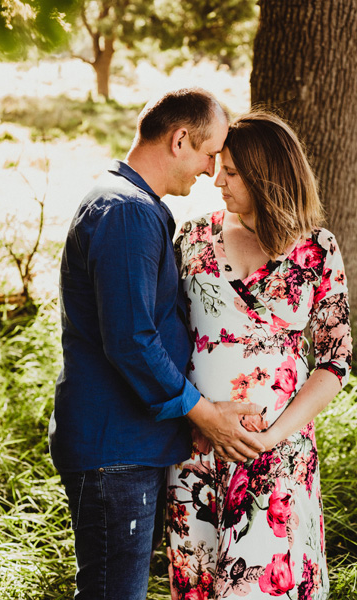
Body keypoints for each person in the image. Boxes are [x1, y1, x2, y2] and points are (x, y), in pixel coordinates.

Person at [48, 88, 266, 600]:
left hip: (124, 448)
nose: (213, 171)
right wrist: (203, 412)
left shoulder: (129, 203)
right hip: (115, 450)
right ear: (180, 139)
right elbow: (131, 339)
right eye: (211, 154)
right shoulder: (126, 211)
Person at [166, 111, 352, 600]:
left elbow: (335, 362)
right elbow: (162, 340)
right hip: (199, 452)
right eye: (218, 167)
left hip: (278, 457)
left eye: (231, 172)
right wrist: (197, 419)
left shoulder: (316, 249)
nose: (216, 181)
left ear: (266, 175)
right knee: (200, 585)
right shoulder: (193, 238)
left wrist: (271, 438)